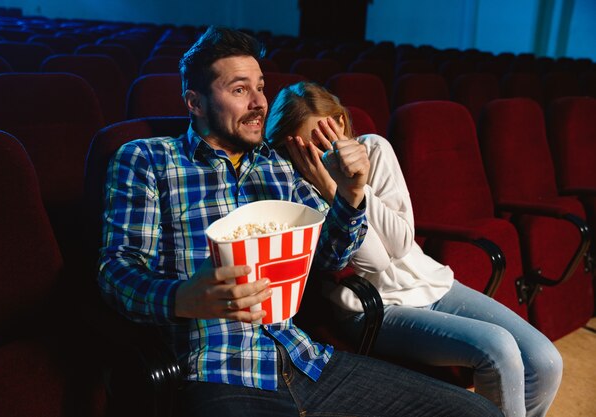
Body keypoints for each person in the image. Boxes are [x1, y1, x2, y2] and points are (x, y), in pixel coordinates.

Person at [98, 26, 503, 417]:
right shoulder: (147, 159)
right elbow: (116, 272)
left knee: (478, 411)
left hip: (304, 358)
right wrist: (183, 297)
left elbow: (330, 256)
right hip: (219, 370)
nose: (259, 102)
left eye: (260, 87)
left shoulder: (278, 167)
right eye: (240, 89)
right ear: (195, 102)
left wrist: (350, 194)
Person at [265, 81, 563, 417]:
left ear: (343, 125)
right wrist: (339, 190)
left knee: (546, 361)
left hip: (429, 281)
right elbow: (376, 262)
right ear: (291, 148)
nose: (326, 153)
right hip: (370, 308)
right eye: (312, 147)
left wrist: (358, 183)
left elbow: (402, 242)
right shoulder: (298, 187)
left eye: (330, 138)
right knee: (499, 350)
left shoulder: (374, 149)